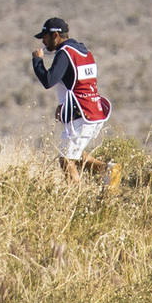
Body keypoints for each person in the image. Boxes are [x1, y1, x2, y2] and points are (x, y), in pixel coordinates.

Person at [31, 17, 113, 183]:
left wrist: (37, 61)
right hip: (93, 110)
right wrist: (63, 106)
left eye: (45, 37)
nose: (43, 41)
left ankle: (75, 199)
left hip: (82, 115)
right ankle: (108, 170)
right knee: (75, 154)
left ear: (55, 35)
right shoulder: (83, 51)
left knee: (66, 160)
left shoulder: (64, 53)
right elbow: (76, 82)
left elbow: (48, 81)